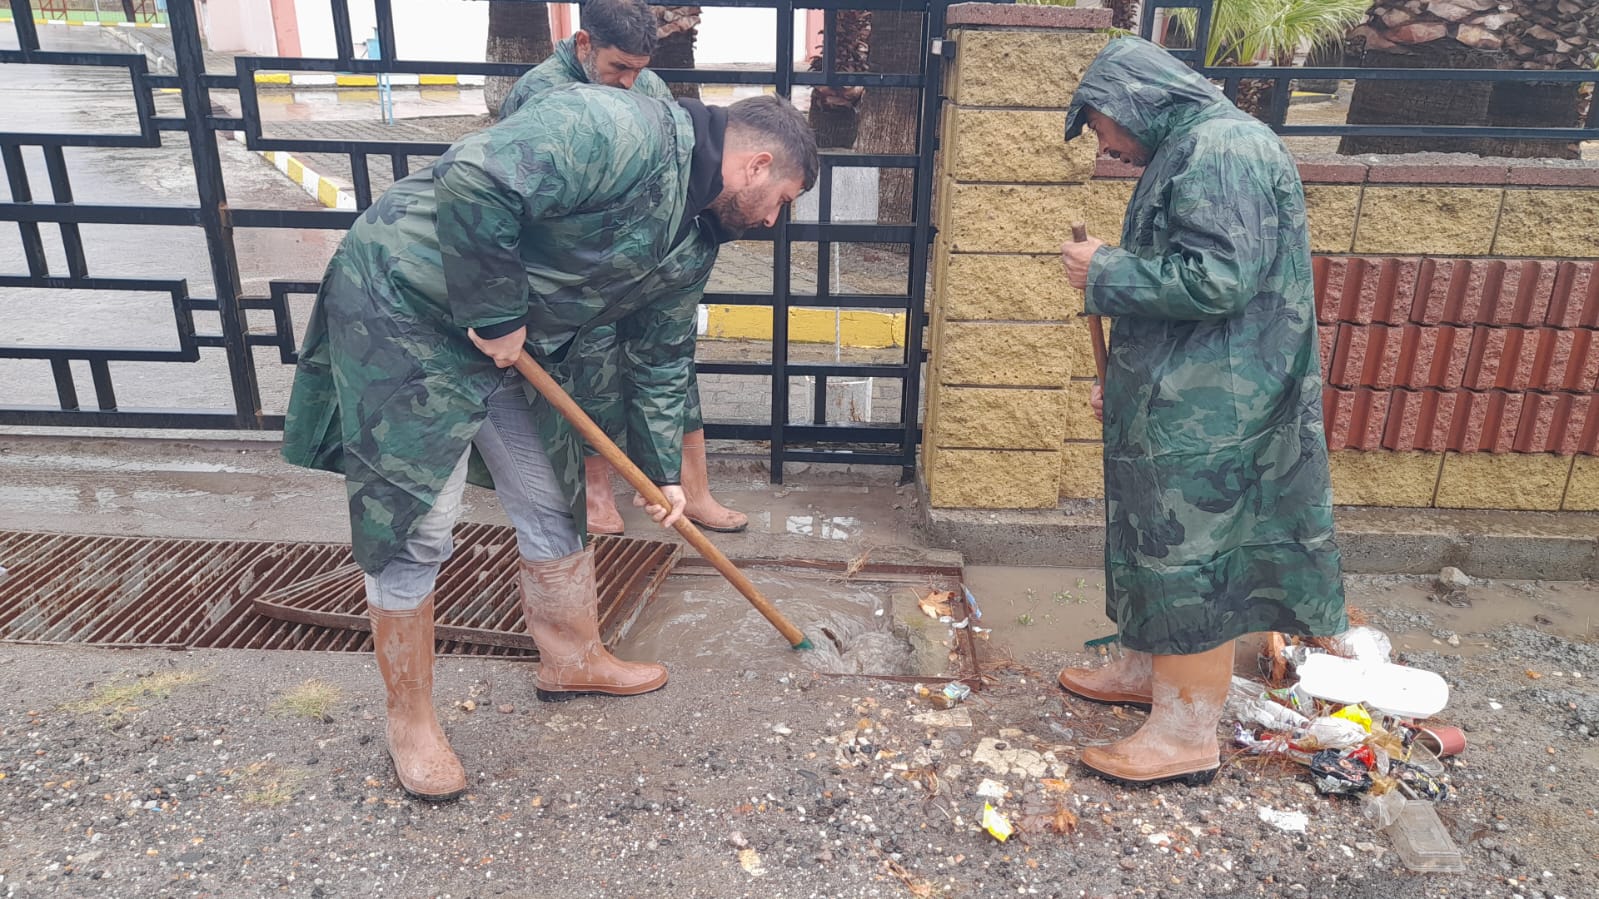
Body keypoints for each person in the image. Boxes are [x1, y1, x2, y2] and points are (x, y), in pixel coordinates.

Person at [282, 87, 817, 801]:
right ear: (754, 165)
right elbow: (474, 177)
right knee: (416, 519)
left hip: (508, 339)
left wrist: (660, 475)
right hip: (404, 304)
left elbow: (660, 357)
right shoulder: (618, 128)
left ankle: (572, 659)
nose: (774, 218)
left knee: (553, 492)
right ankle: (409, 719)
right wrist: (497, 311)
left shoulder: (695, 237)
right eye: (780, 198)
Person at [1056, 36, 1348, 787]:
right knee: (1151, 536)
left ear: (1133, 103)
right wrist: (1126, 375)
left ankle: (1184, 733)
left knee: (1186, 556)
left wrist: (1105, 269)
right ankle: (1145, 668)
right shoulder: (1196, 145)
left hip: (1213, 407)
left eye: (1101, 125)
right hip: (1183, 392)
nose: (1106, 144)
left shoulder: (1220, 150)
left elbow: (1217, 278)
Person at [500, 0, 750, 537]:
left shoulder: (648, 85)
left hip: (648, 262)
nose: (630, 83)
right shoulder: (540, 93)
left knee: (670, 363)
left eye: (639, 70)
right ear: (584, 44)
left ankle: (692, 489)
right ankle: (598, 495)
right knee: (593, 375)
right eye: (619, 69)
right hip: (581, 271)